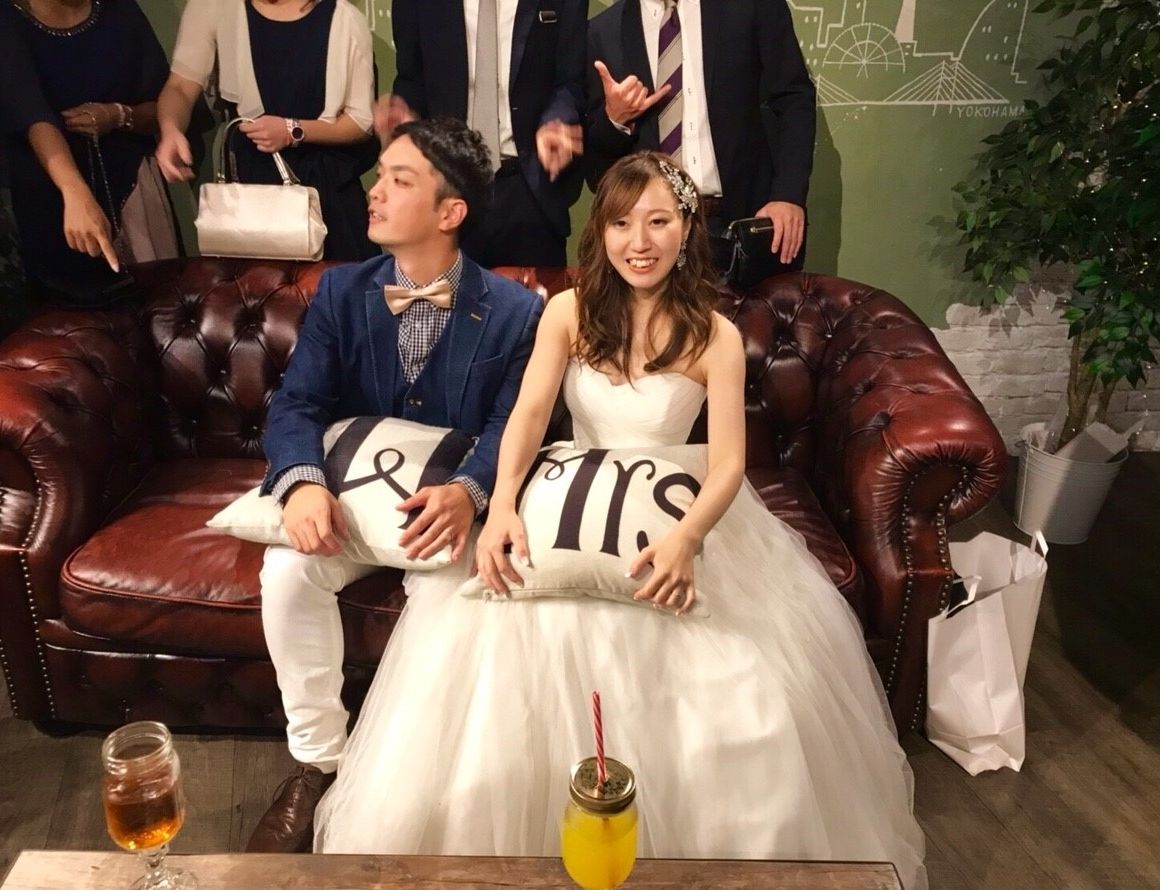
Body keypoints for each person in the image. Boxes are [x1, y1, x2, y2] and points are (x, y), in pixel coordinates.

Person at [312, 151, 927, 889]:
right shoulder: (567, 311)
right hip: (572, 500)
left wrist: (688, 538)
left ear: (686, 231)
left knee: (748, 696)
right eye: (622, 223)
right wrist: (501, 507)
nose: (640, 241)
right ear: (600, 231)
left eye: (659, 222)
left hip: (672, 510)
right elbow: (529, 416)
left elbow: (729, 462)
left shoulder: (714, 335)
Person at [245, 117, 543, 853]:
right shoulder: (341, 291)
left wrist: (470, 491)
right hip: (352, 499)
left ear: (450, 212)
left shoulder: (517, 312)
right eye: (380, 176)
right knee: (286, 572)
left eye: (398, 181)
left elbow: (514, 423)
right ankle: (318, 765)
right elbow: (297, 403)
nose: (374, 192)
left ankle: (419, 792)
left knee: (453, 607)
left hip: (445, 515)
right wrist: (302, 485)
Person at [586, 0, 816, 274]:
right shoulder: (603, 32)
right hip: (651, 239)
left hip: (742, 227)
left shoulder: (752, 6)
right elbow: (598, 174)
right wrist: (615, 119)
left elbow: (792, 99)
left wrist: (788, 195)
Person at [155, 0, 379, 262]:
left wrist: (292, 130)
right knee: (256, 283)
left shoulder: (345, 18)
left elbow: (361, 122)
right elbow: (180, 86)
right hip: (252, 192)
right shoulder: (214, 7)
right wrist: (171, 129)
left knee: (340, 281)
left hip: (329, 188)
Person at [379, 0, 587, 267]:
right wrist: (406, 119)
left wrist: (557, 120)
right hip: (446, 184)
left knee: (537, 294)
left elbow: (569, 80)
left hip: (528, 186)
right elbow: (411, 78)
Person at [0, 0, 177, 304]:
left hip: (132, 186)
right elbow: (33, 117)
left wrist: (119, 115)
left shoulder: (119, 10)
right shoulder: (8, 19)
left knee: (160, 304)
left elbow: (165, 105)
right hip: (50, 198)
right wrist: (75, 193)